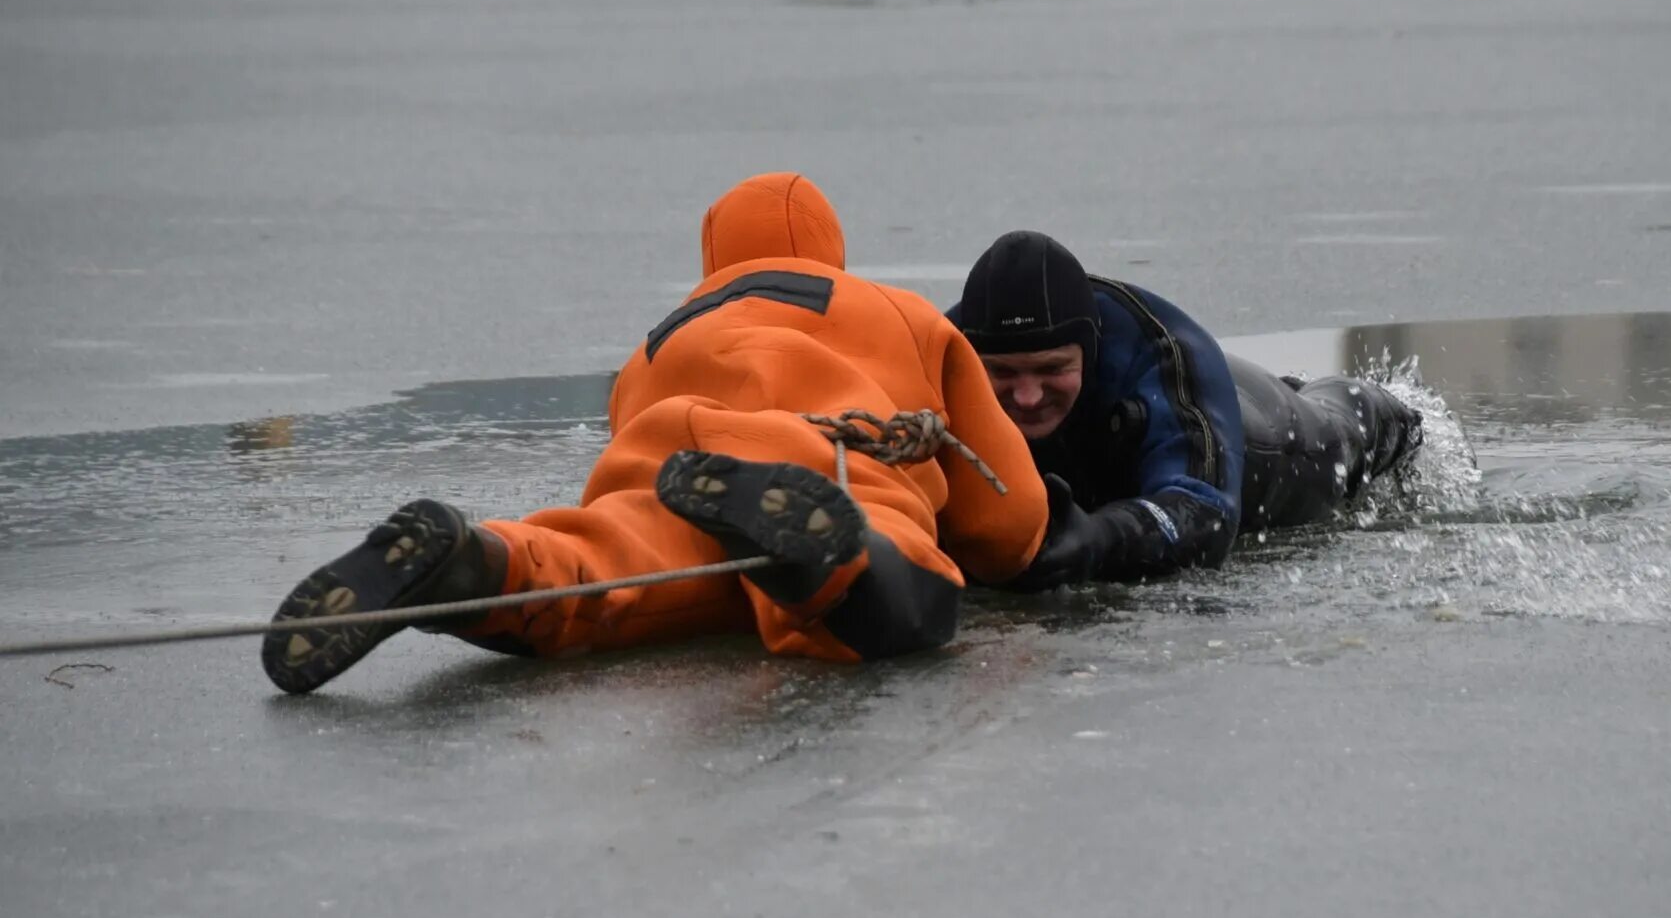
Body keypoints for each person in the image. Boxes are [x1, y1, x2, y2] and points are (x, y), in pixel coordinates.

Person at [262, 174, 1049, 694]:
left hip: (666, 463)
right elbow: (1006, 522)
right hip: (826, 451)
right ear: (833, 247)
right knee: (902, 572)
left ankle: (481, 565)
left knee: (601, 566)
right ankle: (823, 564)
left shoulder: (656, 341)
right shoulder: (898, 312)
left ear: (714, 256)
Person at [947, 231, 1421, 590]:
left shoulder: (1163, 357)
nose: (1027, 397)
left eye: (1052, 369)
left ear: (1089, 355)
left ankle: (1403, 414)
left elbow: (1204, 512)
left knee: (1343, 430)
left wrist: (1098, 539)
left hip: (1265, 440)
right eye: (1003, 373)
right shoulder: (939, 355)